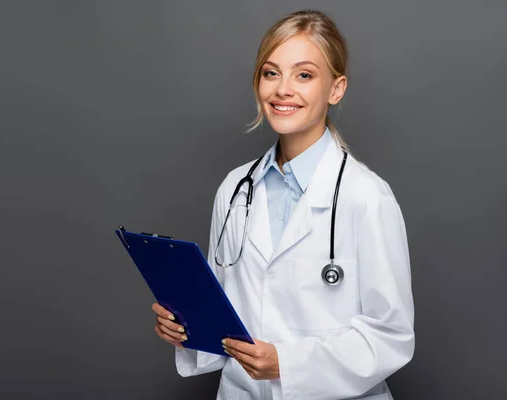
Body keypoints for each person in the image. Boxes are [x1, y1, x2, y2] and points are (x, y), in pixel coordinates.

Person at [151, 9, 414, 400]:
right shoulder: (235, 189)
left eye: (304, 75)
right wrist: (185, 328)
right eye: (271, 73)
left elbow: (391, 336)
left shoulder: (367, 197)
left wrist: (288, 363)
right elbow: (225, 313)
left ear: (336, 89)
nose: (282, 90)